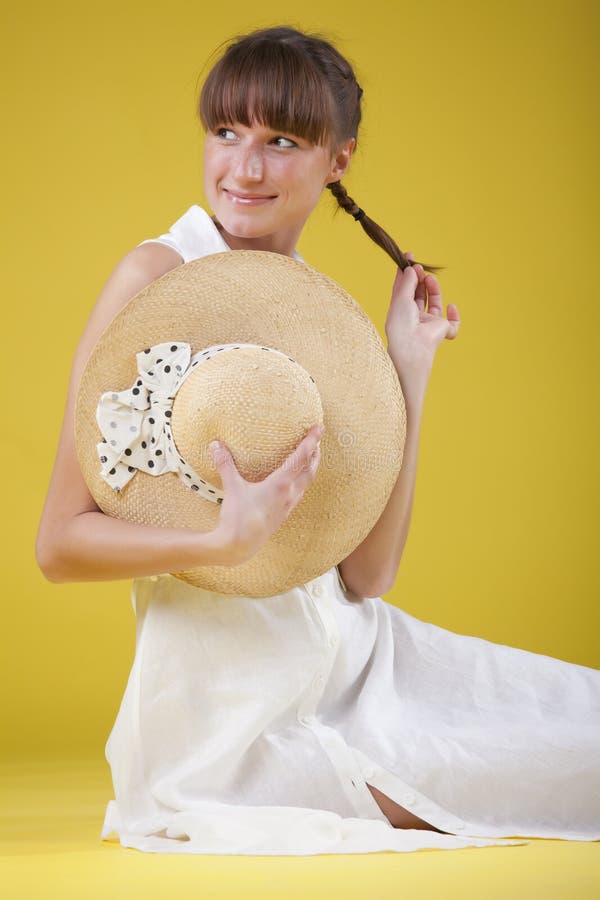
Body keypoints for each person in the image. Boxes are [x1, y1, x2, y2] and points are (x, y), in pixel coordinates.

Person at [35, 25, 599, 856]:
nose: (244, 168)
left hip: (364, 665)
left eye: (281, 141)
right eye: (226, 132)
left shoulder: (318, 316)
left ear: (338, 159)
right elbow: (58, 544)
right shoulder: (155, 280)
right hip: (237, 723)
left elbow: (367, 576)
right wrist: (222, 539)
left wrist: (407, 371)